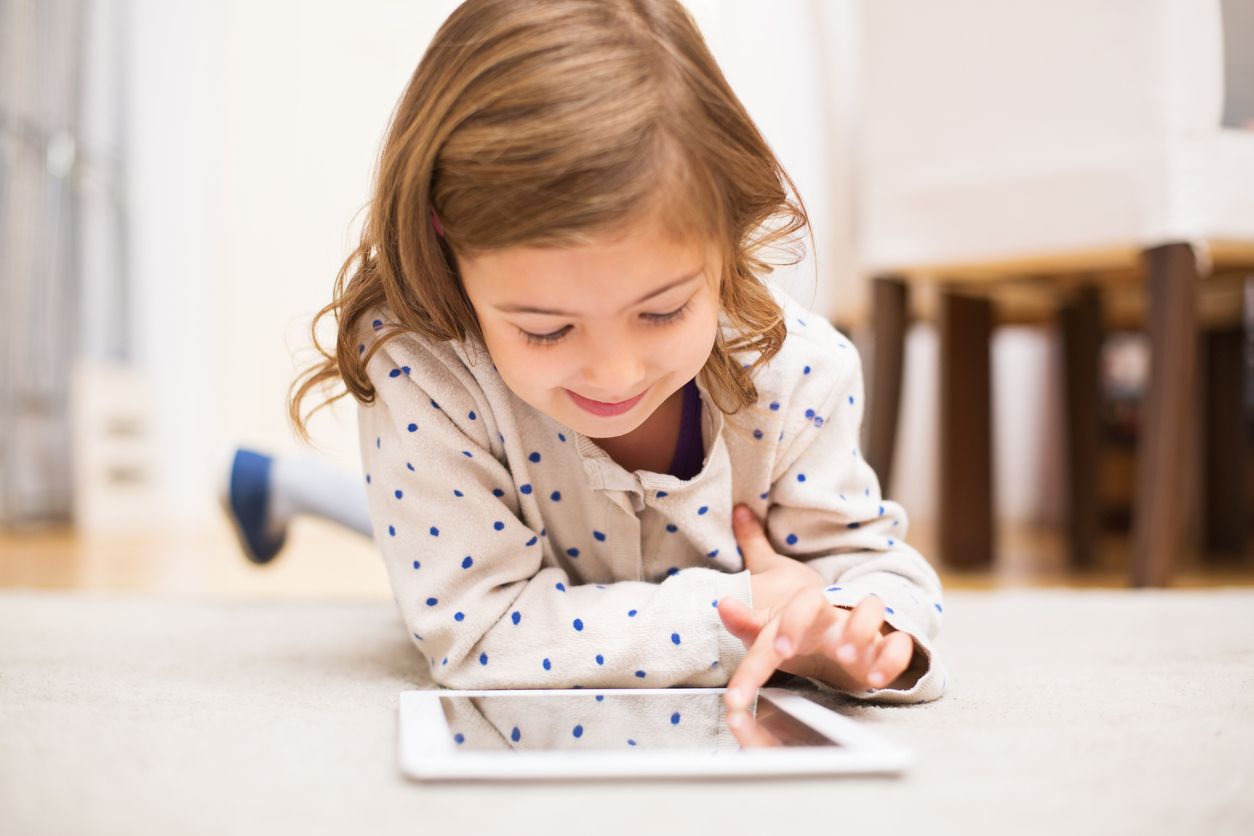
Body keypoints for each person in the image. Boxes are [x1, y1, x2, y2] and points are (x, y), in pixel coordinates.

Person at [274, 0, 948, 723]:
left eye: (662, 312)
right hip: (456, 498)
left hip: (489, 518)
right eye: (546, 329)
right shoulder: (422, 370)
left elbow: (875, 573)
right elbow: (478, 636)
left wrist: (860, 636)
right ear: (449, 249)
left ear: (724, 233)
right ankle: (287, 483)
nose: (617, 375)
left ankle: (280, 485)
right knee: (400, 533)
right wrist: (742, 613)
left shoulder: (801, 372)